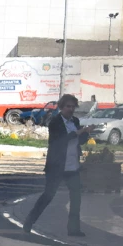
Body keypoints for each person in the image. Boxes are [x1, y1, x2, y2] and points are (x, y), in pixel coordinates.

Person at [22, 94, 96, 237]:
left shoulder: (75, 120)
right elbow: (61, 141)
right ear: (61, 107)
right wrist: (77, 132)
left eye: (73, 106)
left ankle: (73, 229)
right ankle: (29, 222)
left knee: (76, 198)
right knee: (48, 196)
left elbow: (78, 141)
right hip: (57, 166)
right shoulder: (55, 122)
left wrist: (86, 133)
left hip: (72, 166)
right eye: (68, 106)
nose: (71, 109)